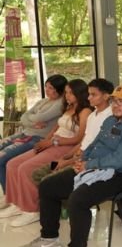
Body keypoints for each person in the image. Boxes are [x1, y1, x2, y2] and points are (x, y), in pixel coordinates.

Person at [17, 85, 122, 247]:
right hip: (96, 167)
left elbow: (121, 158)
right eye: (114, 101)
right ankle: (49, 237)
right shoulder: (110, 120)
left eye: (121, 101)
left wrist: (90, 164)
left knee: (78, 199)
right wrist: (82, 159)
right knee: (48, 186)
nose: (116, 105)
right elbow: (94, 144)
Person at [0, 80, 92, 226]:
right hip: (51, 144)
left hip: (65, 147)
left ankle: (32, 210)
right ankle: (16, 203)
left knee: (25, 168)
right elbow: (55, 129)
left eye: (70, 93)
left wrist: (53, 142)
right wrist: (44, 143)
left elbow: (79, 139)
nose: (67, 96)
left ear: (79, 93)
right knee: (12, 164)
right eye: (66, 92)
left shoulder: (85, 112)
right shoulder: (68, 107)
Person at [0, 74, 66, 209]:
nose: (47, 90)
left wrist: (30, 120)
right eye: (46, 86)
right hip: (25, 133)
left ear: (60, 90)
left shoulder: (60, 104)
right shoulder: (43, 101)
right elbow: (23, 117)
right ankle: (9, 195)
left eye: (51, 88)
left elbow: (40, 117)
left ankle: (12, 198)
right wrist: (32, 122)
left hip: (38, 138)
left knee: (4, 160)